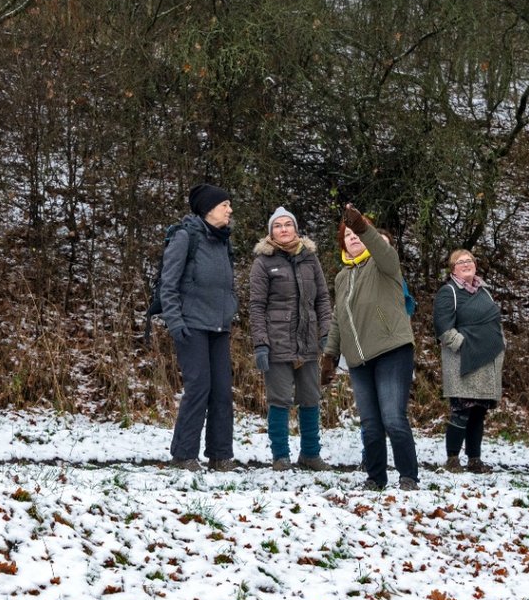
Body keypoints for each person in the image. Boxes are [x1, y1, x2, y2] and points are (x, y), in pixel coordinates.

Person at [321, 204, 418, 490]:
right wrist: (329, 355)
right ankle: (375, 478)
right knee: (370, 424)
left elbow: (383, 249)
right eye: (347, 234)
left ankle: (409, 476)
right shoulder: (341, 277)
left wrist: (364, 225)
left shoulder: (384, 264)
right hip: (358, 360)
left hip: (392, 349)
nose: (352, 237)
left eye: (357, 232)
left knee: (392, 418)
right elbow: (338, 319)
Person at [160, 183, 239, 471]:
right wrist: (175, 322)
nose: (230, 210)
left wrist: (231, 307)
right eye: (224, 205)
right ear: (208, 209)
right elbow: (168, 284)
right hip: (191, 326)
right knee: (199, 388)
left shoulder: (223, 240)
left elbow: (228, 284)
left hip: (219, 326)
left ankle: (220, 455)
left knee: (221, 391)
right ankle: (183, 455)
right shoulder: (186, 237)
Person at [249, 206, 333, 472]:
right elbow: (256, 305)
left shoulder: (310, 259)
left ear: (296, 229)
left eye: (288, 224)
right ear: (270, 232)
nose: (284, 229)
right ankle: (280, 456)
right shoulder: (263, 262)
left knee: (310, 398)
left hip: (307, 342)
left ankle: (310, 454)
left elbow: (322, 299)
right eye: (278, 225)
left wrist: (326, 334)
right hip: (276, 343)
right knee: (279, 400)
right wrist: (260, 343)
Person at [434, 249, 506, 473]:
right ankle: (453, 459)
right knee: (461, 412)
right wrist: (464, 346)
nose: (466, 264)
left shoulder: (484, 291)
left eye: (470, 261)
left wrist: (499, 343)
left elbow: (494, 321)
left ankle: (474, 459)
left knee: (478, 412)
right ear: (453, 268)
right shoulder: (449, 292)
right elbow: (443, 328)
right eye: (460, 262)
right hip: (463, 362)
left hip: (487, 360)